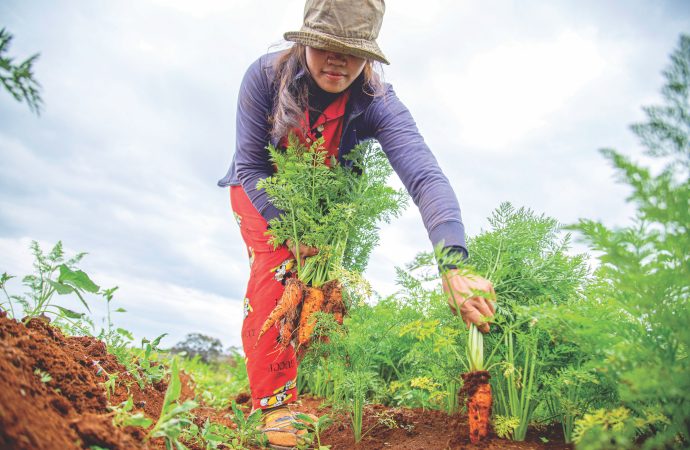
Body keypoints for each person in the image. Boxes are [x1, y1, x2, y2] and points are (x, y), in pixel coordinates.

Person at [217, 0, 496, 447]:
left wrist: (454, 263)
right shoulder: (265, 76)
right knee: (279, 272)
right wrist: (290, 231)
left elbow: (425, 176)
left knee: (317, 299)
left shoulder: (377, 101)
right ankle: (271, 407)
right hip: (260, 192)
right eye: (327, 45)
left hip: (323, 203)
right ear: (307, 39)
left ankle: (284, 382)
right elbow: (251, 167)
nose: (339, 60)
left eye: (353, 50)